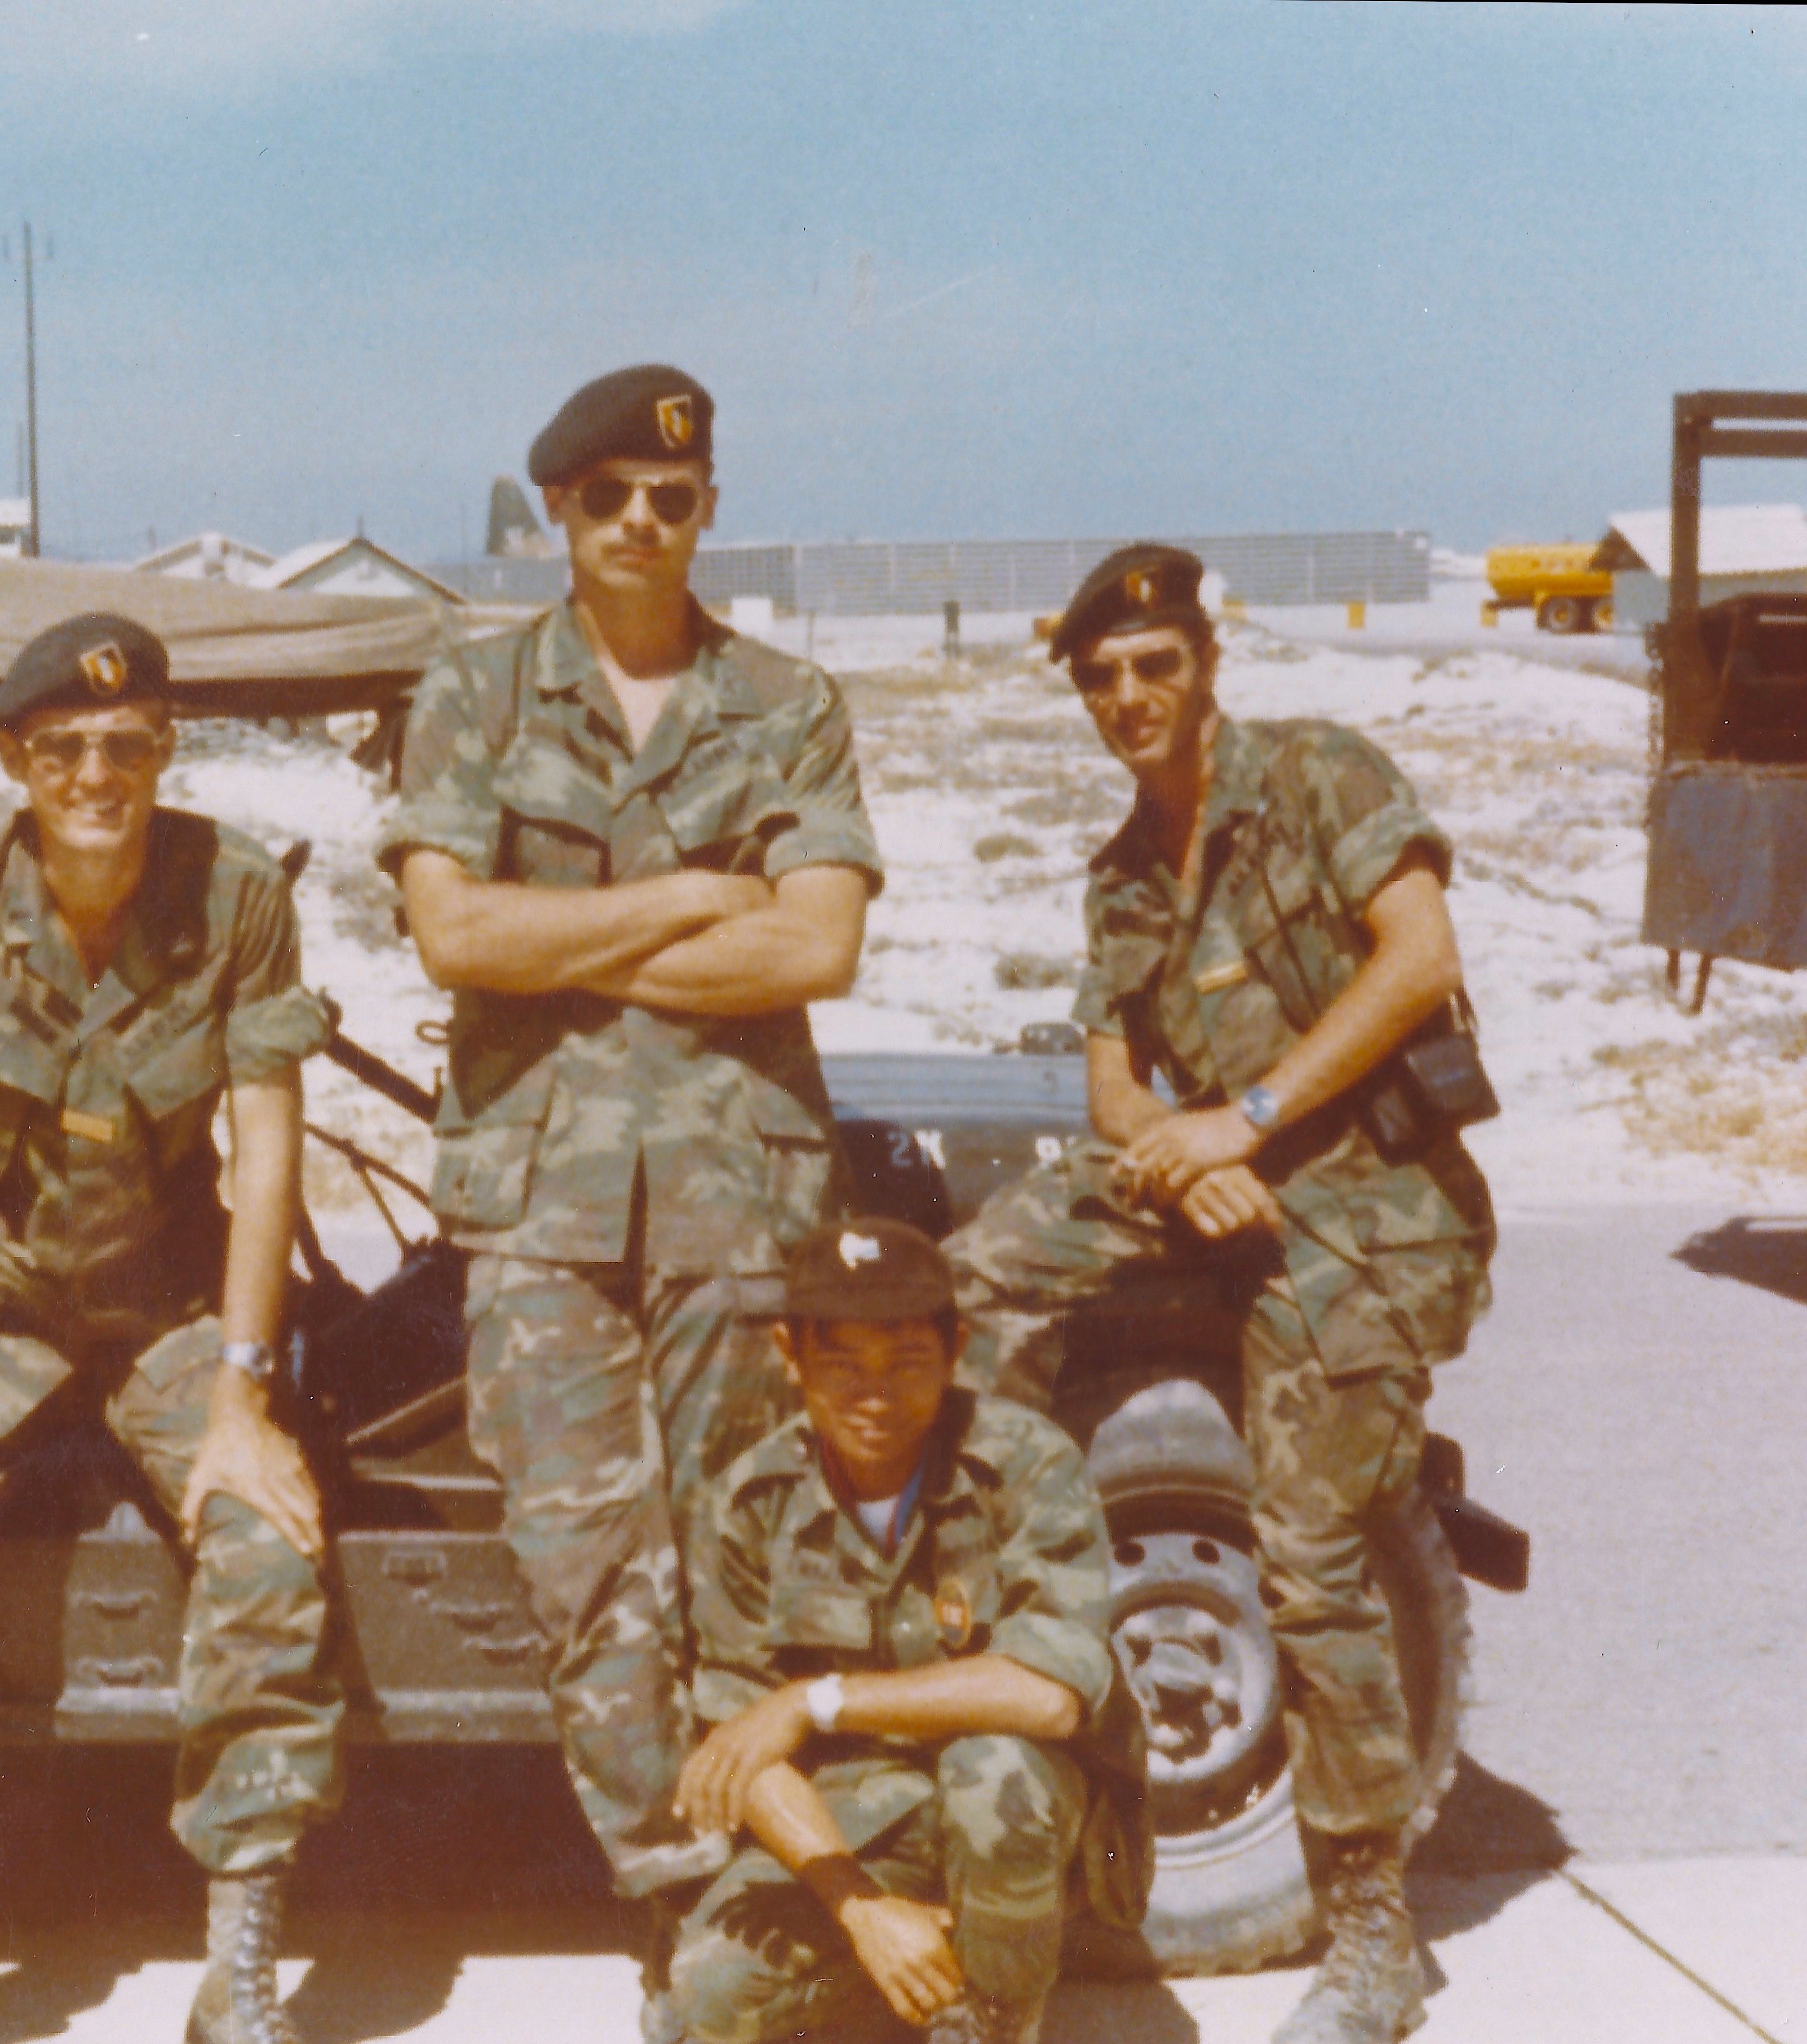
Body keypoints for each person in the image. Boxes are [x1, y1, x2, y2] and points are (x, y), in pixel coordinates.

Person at [375, 364, 882, 2027]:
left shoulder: (785, 703)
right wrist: (681, 897)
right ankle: (676, 1906)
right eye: (607, 499)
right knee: (590, 1572)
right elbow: (456, 938)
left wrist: (566, 942)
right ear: (558, 518)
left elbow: (815, 944)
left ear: (706, 508)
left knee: (739, 1562)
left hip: (740, 1200)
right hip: (540, 1213)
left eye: (673, 497)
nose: (641, 523)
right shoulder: (474, 694)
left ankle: (758, 1898)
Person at [942, 544, 1496, 2044]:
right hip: (1220, 1190)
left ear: (1201, 661)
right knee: (973, 1274)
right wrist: (1175, 1160)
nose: (1128, 695)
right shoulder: (1122, 871)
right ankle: (1002, 1584)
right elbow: (1113, 1085)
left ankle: (1370, 1925)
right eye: (1100, 678)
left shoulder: (1314, 776)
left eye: (1152, 665)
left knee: (1308, 1546)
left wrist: (1241, 1119)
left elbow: (1415, 957)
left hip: (1371, 1211)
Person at [0, 613, 343, 2044]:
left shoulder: (229, 891)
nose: (98, 773)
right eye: (64, 749)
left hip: (166, 1305)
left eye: (129, 744)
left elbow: (271, 1130)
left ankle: (239, 1967)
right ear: (12, 761)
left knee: (267, 1550)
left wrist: (242, 1395)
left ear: (165, 748)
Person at [668, 1218, 1146, 2044]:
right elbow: (745, 1746)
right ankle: (920, 1962)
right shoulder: (748, 1501)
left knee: (987, 1768)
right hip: (866, 1818)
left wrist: (816, 1700)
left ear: (955, 1346)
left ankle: (998, 2017)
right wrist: (860, 1907)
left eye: (906, 1363)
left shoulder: (1025, 1462)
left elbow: (1051, 1698)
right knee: (708, 1992)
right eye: (840, 1366)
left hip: (1031, 1808)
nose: (875, 1397)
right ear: (790, 1356)